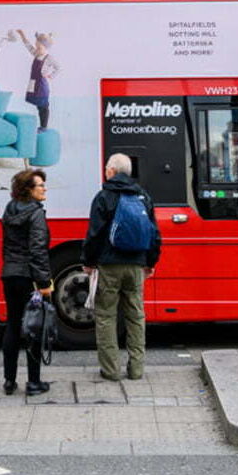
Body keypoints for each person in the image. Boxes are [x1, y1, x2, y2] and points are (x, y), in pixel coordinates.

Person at [81, 153, 161, 381]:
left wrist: (88, 261)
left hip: (109, 265)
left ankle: (111, 370)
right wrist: (151, 262)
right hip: (136, 265)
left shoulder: (104, 197)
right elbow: (154, 234)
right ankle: (136, 370)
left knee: (106, 317)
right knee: (136, 317)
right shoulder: (143, 196)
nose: (105, 171)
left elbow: (94, 234)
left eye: (107, 168)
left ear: (113, 171)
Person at [0, 168, 53, 397]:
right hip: (29, 277)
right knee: (34, 327)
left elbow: (7, 246)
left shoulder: (9, 210)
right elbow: (38, 251)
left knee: (12, 326)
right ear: (29, 190)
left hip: (10, 274)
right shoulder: (36, 214)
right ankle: (33, 383)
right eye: (40, 185)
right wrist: (44, 283)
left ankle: (9, 381)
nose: (44, 188)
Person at [16, 30, 60, 131]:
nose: (36, 49)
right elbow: (28, 46)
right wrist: (23, 35)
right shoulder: (36, 54)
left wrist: (50, 76)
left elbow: (58, 68)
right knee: (39, 106)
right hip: (34, 83)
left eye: (39, 47)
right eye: (36, 46)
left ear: (46, 47)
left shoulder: (49, 58)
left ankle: (44, 126)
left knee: (44, 106)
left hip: (42, 85)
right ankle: (42, 126)